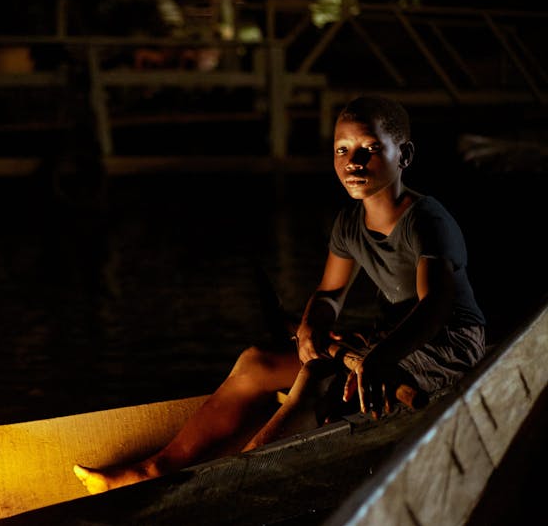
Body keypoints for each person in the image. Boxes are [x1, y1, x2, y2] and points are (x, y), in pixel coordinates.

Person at [73, 95, 486, 495]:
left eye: (371, 148)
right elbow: (329, 295)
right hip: (387, 342)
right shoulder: (349, 224)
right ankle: (153, 470)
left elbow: (434, 307)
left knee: (317, 377)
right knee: (256, 363)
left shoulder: (427, 221)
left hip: (444, 345)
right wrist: (314, 324)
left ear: (405, 156)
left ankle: (238, 477)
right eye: (342, 150)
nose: (353, 162)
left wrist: (378, 358)